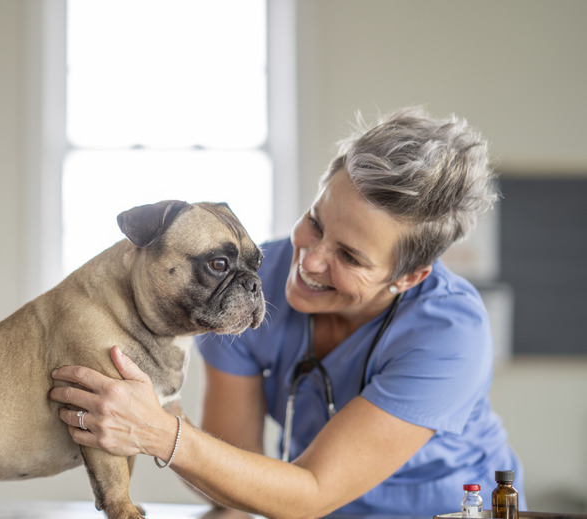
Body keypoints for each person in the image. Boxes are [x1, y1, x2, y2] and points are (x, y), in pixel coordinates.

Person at [49, 106, 526, 518]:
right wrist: (160, 406)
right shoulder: (239, 285)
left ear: (409, 277)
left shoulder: (448, 332)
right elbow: (230, 488)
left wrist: (159, 431)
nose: (311, 260)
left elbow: (312, 492)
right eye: (315, 223)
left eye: (350, 257)